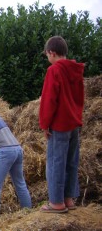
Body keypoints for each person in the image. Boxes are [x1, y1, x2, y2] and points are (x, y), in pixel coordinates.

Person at [39, 36, 84, 213]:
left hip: (59, 123)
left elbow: (49, 99)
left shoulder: (54, 70)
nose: (48, 58)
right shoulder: (76, 69)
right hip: (74, 123)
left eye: (47, 55)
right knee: (71, 162)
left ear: (52, 53)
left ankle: (56, 203)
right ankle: (69, 199)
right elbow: (80, 98)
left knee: (55, 162)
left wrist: (45, 124)